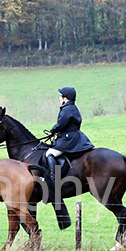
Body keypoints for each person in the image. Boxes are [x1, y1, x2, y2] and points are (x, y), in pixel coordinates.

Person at [42, 86, 94, 225]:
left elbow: (61, 124)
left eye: (61, 96)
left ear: (66, 98)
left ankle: (52, 179)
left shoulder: (66, 109)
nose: (60, 98)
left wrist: (53, 130)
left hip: (68, 139)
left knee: (49, 153)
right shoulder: (73, 108)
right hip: (74, 136)